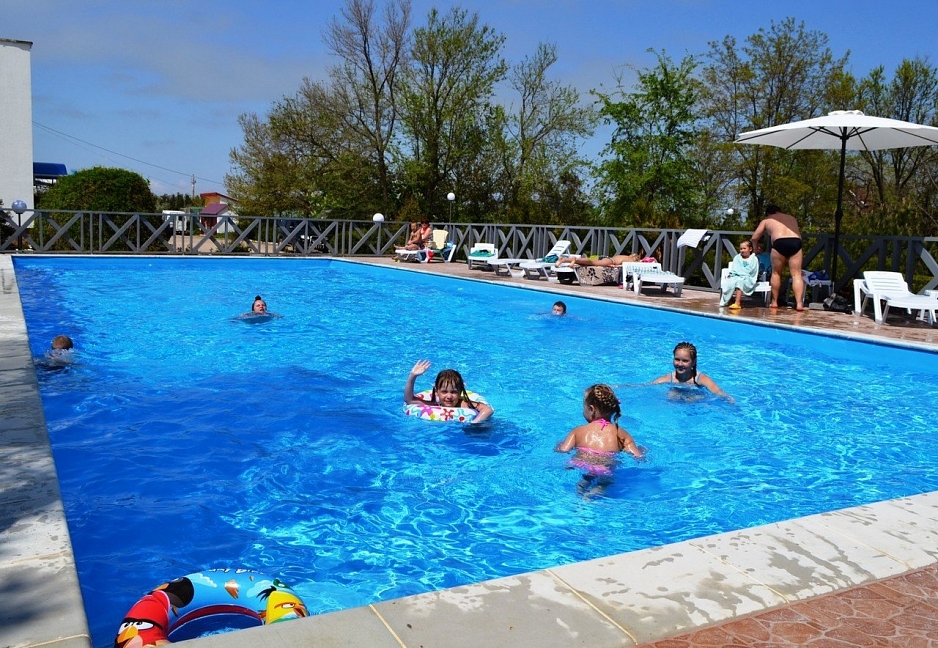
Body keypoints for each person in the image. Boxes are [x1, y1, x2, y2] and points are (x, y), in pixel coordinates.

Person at [555, 384, 644, 497]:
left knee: (586, 477)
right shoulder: (621, 434)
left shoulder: (577, 431)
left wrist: (558, 445)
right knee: (606, 482)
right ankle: (592, 495)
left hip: (581, 462)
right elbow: (638, 457)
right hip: (605, 466)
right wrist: (642, 450)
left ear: (591, 409)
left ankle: (580, 490)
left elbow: (563, 450)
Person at [404, 360, 494, 423]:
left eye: (453, 392)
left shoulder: (465, 404)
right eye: (444, 392)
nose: (449, 396)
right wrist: (412, 376)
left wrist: (474, 423)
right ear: (436, 391)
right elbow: (409, 400)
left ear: (460, 391)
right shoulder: (435, 404)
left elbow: (488, 410)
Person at [752, 204, 805, 311]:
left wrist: (755, 248)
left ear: (768, 214)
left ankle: (774, 302)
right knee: (796, 274)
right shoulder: (791, 218)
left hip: (779, 242)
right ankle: (799, 304)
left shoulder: (767, 220)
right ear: (779, 211)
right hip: (795, 241)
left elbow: (754, 237)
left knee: (776, 273)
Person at [652, 341, 731, 401]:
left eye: (685, 361)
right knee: (671, 395)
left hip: (696, 401)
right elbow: (648, 386)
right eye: (677, 359)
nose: (680, 364)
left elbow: (719, 392)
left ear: (693, 362)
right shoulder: (669, 378)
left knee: (693, 399)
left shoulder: (701, 379)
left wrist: (729, 400)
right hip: (677, 401)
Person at [720, 240, 760, 309]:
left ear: (750, 249)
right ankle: (729, 299)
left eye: (744, 248)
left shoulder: (754, 259)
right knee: (730, 282)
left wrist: (742, 275)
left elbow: (752, 270)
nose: (742, 250)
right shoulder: (737, 258)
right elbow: (735, 269)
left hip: (748, 278)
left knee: (740, 281)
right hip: (736, 276)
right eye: (741, 249)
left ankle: (737, 303)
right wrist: (736, 275)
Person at [556, 253, 641, 268]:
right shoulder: (631, 260)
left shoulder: (624, 255)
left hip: (603, 256)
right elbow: (624, 266)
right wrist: (615, 266)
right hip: (609, 261)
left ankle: (564, 259)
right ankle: (575, 259)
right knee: (590, 262)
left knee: (587, 260)